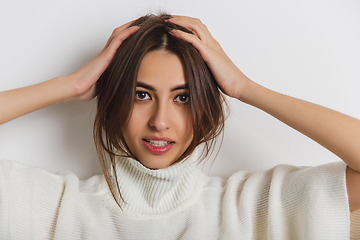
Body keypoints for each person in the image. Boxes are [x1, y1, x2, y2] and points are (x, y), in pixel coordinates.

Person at [0, 14, 359, 239]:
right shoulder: (50, 206)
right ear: (115, 100)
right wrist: (69, 86)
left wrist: (244, 88)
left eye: (182, 98)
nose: (160, 121)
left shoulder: (254, 207)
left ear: (205, 106)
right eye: (141, 94)